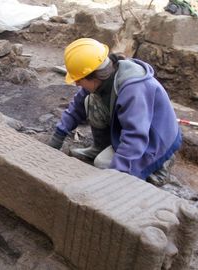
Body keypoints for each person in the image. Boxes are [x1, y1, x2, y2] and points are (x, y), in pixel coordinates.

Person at [48, 38, 181, 184]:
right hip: (136, 129)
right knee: (90, 101)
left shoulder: (133, 89)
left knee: (103, 164)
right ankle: (101, 148)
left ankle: (161, 164)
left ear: (93, 75)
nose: (76, 83)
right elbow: (76, 107)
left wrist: (117, 175)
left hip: (155, 138)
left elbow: (135, 136)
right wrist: (57, 138)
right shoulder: (102, 77)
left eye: (79, 80)